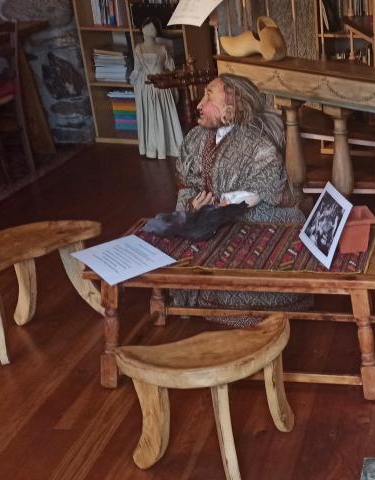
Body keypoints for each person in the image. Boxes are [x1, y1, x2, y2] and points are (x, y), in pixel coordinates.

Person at [172, 74, 309, 327]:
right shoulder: (194, 139)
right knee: (177, 254)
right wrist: (192, 208)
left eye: (209, 95)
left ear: (232, 103)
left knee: (246, 280)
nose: (200, 104)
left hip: (259, 221)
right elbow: (187, 184)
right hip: (210, 222)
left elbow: (261, 189)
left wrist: (219, 206)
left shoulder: (258, 144)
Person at [129, 19, 183, 159]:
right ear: (143, 29)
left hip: (161, 86)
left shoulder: (162, 48)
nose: (152, 30)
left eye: (154, 28)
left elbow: (170, 67)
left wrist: (171, 78)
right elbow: (136, 70)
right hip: (145, 87)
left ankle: (166, 146)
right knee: (149, 117)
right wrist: (135, 83)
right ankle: (151, 148)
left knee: (163, 114)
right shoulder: (138, 49)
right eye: (149, 28)